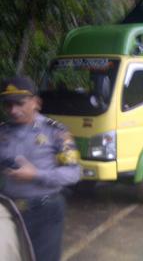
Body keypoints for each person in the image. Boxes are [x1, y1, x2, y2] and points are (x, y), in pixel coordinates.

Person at [0, 76, 81, 261]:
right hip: (9, 211)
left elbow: (74, 173)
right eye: (7, 104)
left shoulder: (56, 132)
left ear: (36, 102)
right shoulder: (2, 132)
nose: (13, 110)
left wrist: (36, 174)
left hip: (45, 212)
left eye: (19, 103)